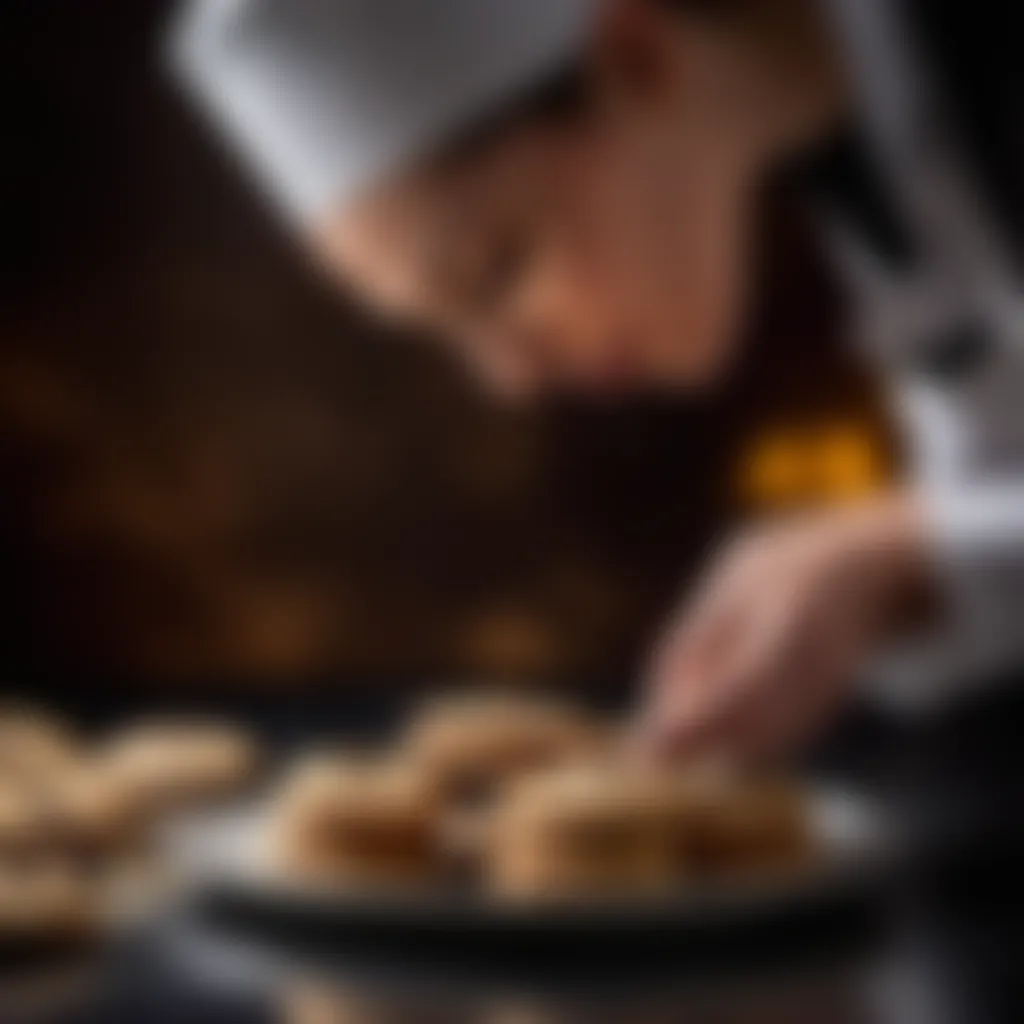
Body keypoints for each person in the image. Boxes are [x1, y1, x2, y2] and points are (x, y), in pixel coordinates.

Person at [170, 0, 1024, 766]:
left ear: (634, 58)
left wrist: (903, 545)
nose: (511, 378)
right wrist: (886, 579)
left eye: (496, 272)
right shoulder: (850, 153)